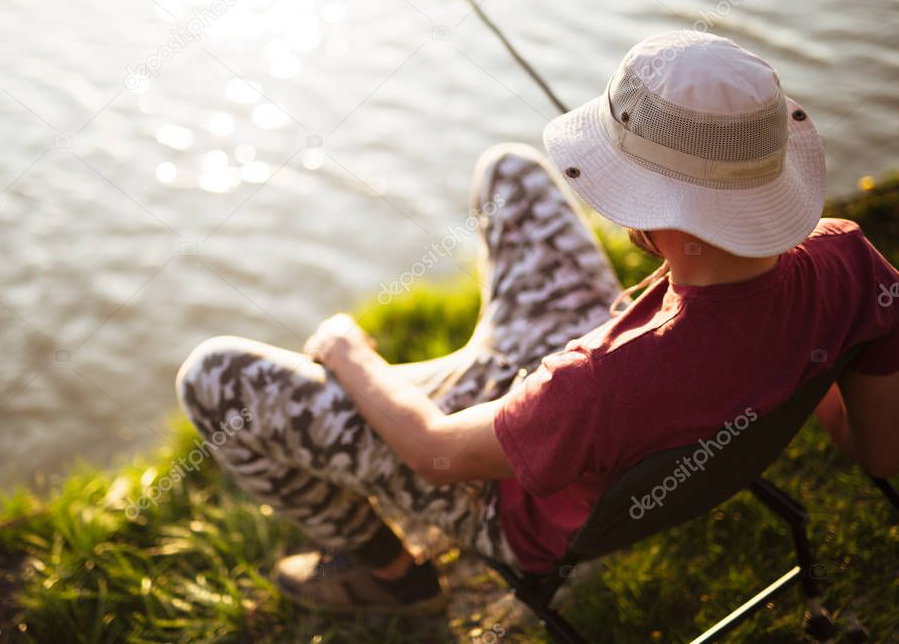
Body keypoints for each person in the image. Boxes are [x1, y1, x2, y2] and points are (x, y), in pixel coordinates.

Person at [176, 30, 899, 614]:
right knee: (511, 174)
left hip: (502, 491)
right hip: (574, 398)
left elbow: (436, 454)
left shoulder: (600, 383)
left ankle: (395, 577)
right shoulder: (845, 258)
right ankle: (437, 380)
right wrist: (785, 377)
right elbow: (876, 449)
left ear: (661, 217)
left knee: (213, 379)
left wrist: (344, 353)